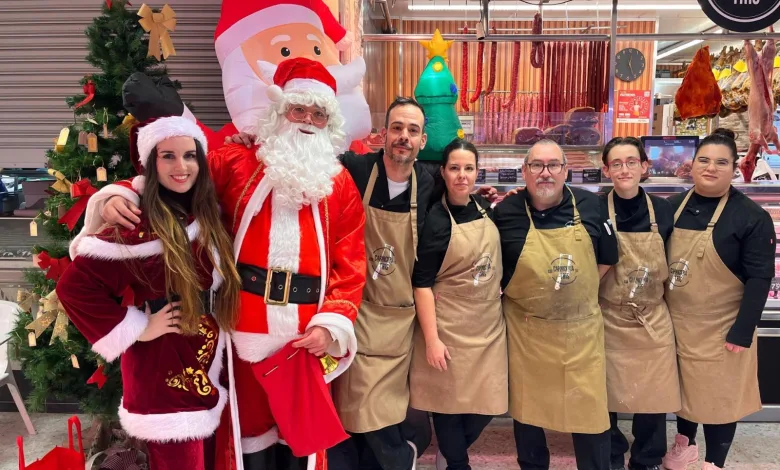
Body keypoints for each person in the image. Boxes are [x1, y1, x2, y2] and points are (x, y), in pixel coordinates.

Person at [77, 58, 367, 470]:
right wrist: (119, 193)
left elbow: (351, 263)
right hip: (241, 324)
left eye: (318, 113)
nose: (307, 120)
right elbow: (178, 178)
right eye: (298, 109)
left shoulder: (339, 184)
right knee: (247, 440)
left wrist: (331, 325)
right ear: (279, 111)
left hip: (305, 333)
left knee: (299, 444)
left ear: (329, 122)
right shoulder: (236, 162)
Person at [56, 116, 241, 470]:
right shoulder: (137, 222)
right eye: (167, 156)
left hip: (206, 362)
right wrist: (140, 326)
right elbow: (73, 287)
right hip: (163, 369)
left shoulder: (205, 212)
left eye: (190, 155)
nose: (181, 166)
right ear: (150, 163)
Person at [494, 139, 618, 470]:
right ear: (524, 172)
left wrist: (574, 291)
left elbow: (607, 258)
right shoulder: (506, 212)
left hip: (581, 334)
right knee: (528, 416)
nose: (545, 173)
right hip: (527, 333)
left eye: (553, 165)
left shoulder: (592, 205)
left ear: (566, 170)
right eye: (536, 165)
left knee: (590, 417)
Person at [328, 96, 435, 470]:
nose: (403, 137)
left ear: (423, 141)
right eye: (397, 128)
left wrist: (487, 198)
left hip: (397, 319)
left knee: (377, 404)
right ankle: (395, 456)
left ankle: (395, 455)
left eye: (412, 130)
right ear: (383, 134)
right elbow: (305, 157)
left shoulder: (431, 183)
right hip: (353, 309)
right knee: (350, 402)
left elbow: (462, 201)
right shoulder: (354, 169)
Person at [662, 130, 774, 470]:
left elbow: (759, 278)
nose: (711, 168)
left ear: (734, 168)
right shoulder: (673, 207)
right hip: (676, 321)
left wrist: (743, 330)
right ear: (692, 165)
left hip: (723, 325)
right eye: (704, 160)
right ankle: (685, 444)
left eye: (721, 162)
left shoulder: (751, 217)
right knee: (684, 392)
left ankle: (715, 461)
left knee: (718, 397)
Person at [409, 139, 507, 470]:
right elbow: (421, 284)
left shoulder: (482, 206)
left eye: (468, 168)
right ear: (443, 172)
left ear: (477, 172)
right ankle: (457, 462)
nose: (462, 176)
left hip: (488, 326)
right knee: (447, 403)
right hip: (448, 325)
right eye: (454, 168)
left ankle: (452, 452)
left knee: (491, 402)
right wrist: (432, 339)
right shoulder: (436, 219)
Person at [598, 137, 680, 470]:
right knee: (604, 395)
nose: (624, 169)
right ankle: (612, 452)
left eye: (632, 161)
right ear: (606, 170)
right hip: (608, 316)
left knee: (654, 395)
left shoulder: (663, 209)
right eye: (616, 163)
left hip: (652, 316)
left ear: (645, 167)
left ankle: (647, 458)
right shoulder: (595, 207)